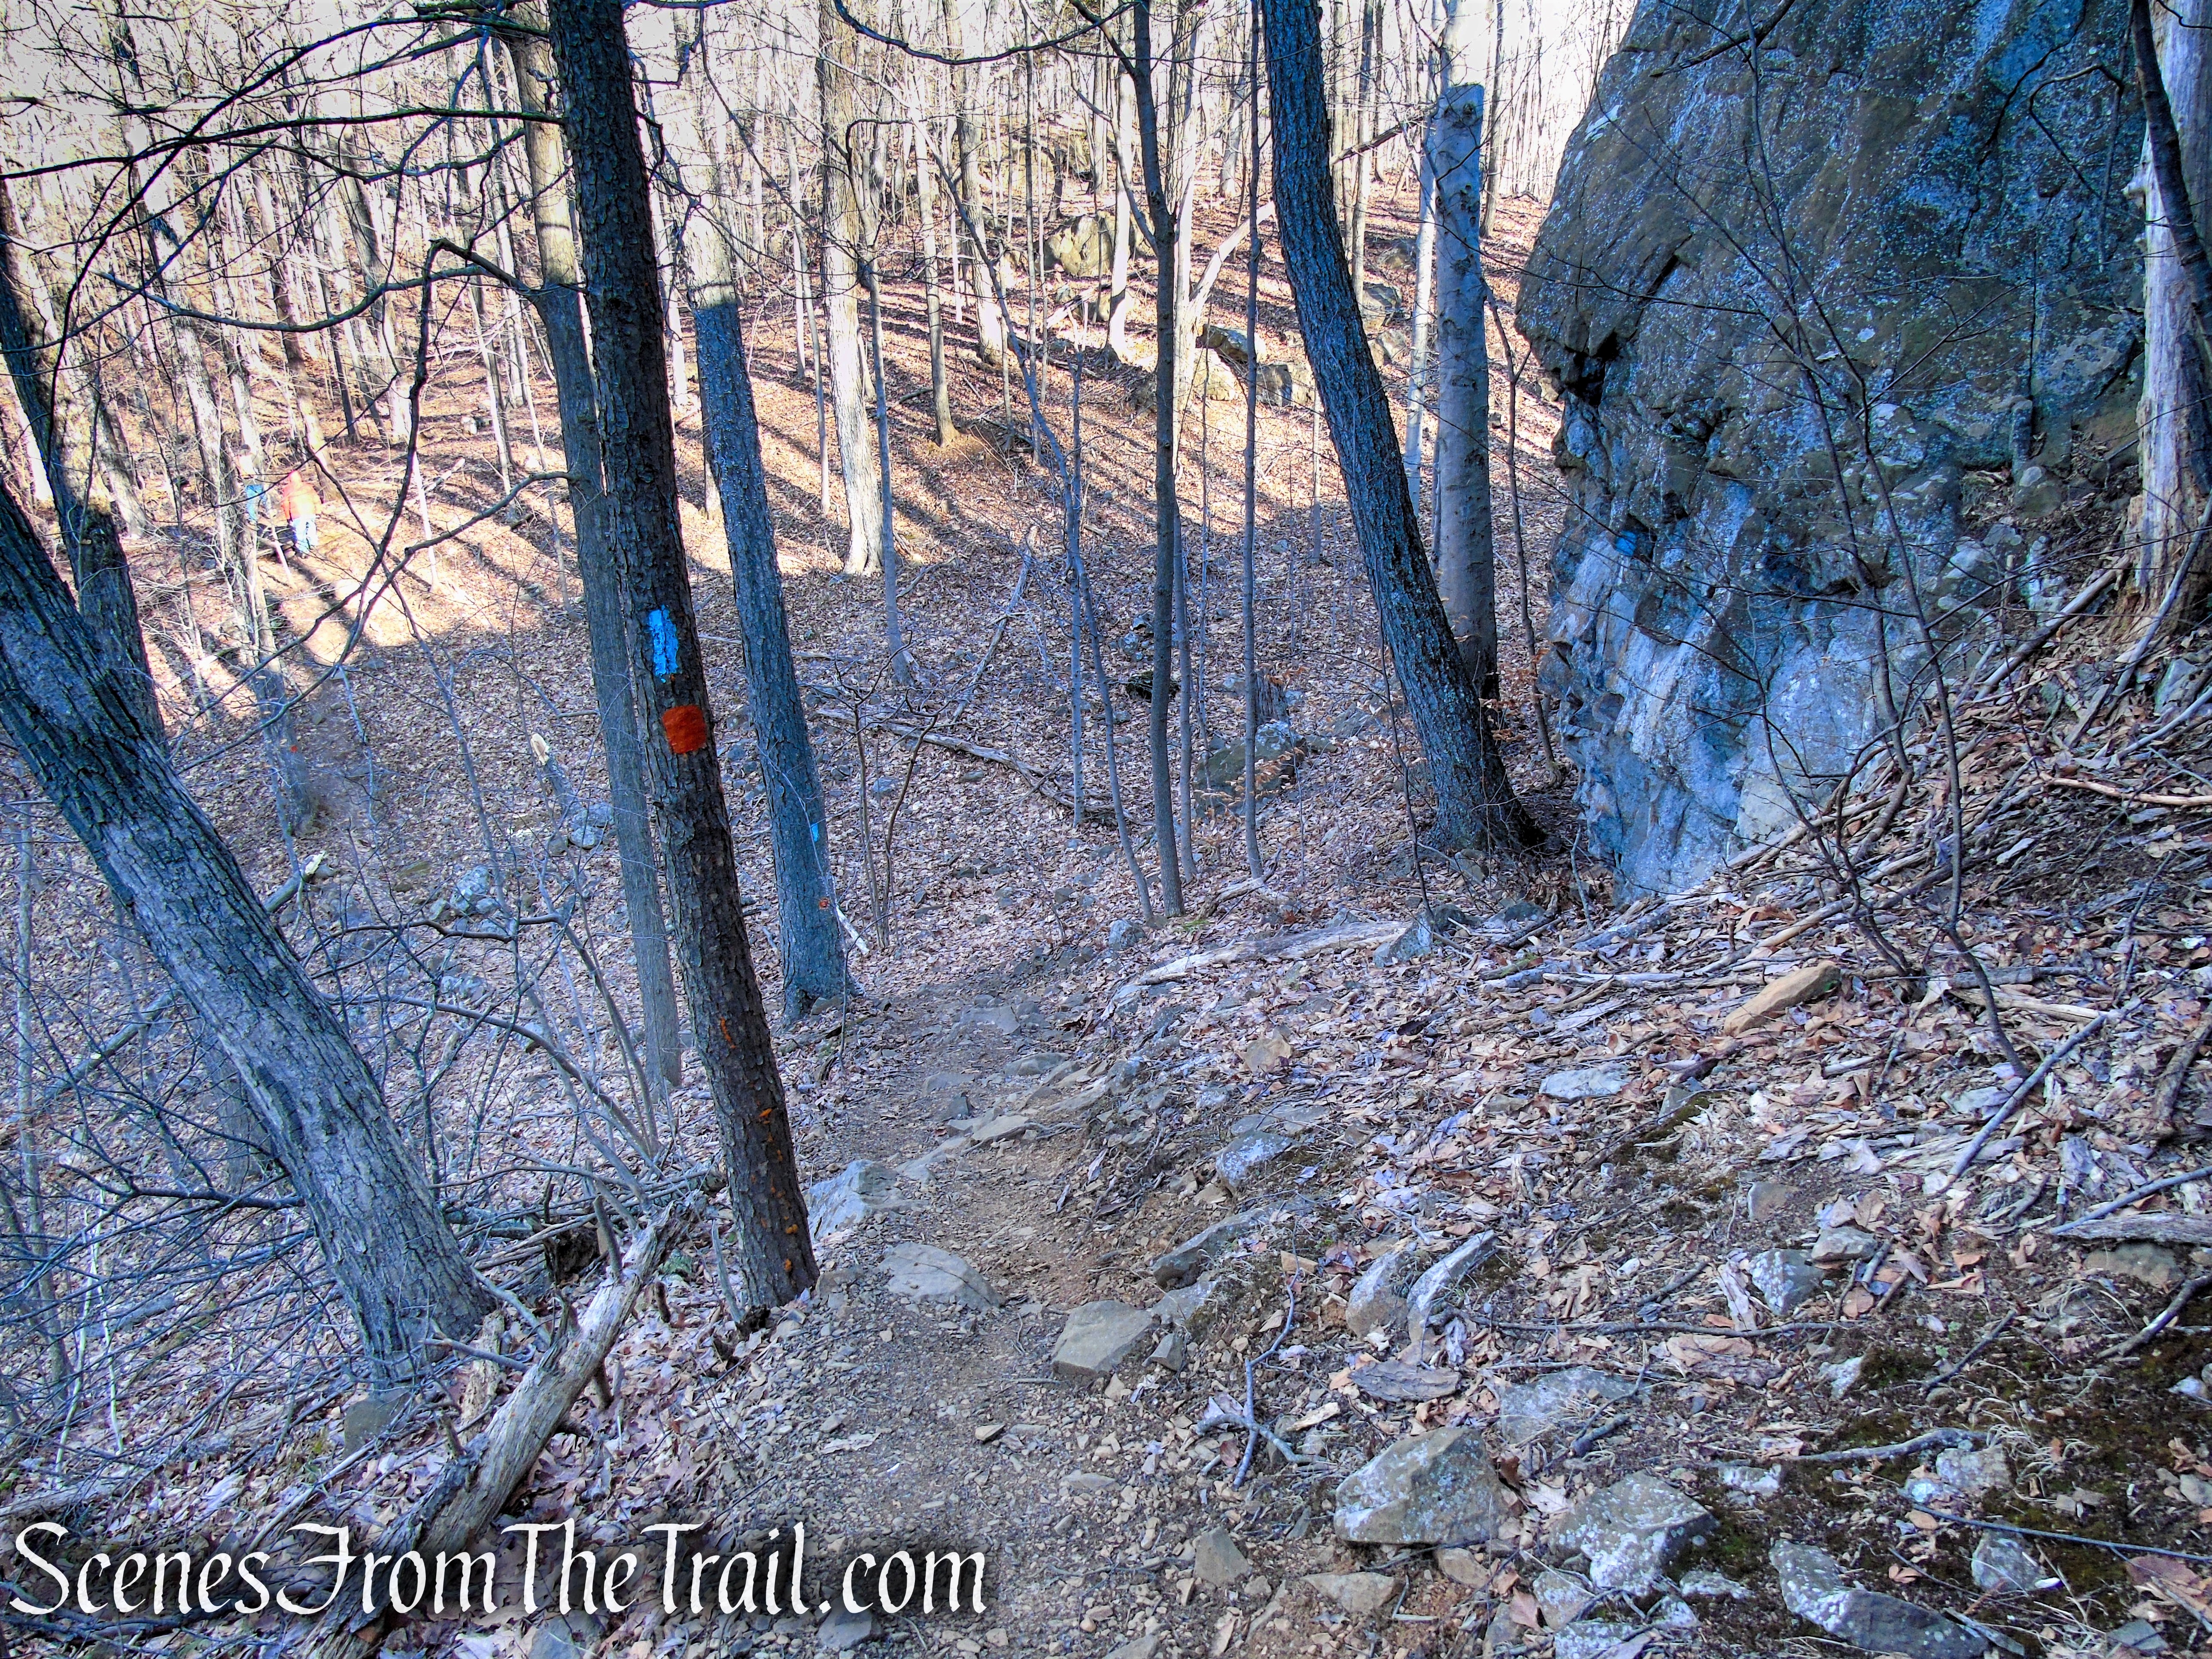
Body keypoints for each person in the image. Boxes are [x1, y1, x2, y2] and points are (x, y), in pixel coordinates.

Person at [279, 467, 321, 559]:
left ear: (289, 479)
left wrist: (288, 517)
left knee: (300, 532)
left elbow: (285, 504)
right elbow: (316, 499)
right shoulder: (308, 486)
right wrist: (318, 511)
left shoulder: (287, 489)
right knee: (311, 527)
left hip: (297, 514)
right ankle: (313, 544)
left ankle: (304, 551)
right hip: (311, 512)